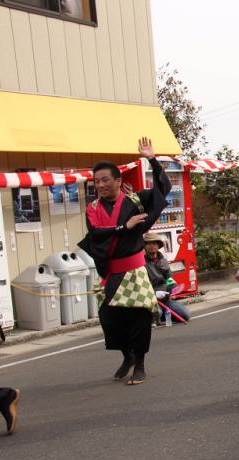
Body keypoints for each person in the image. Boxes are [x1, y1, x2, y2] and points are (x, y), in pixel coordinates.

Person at [78, 137, 168, 385]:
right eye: (96, 181)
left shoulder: (135, 200)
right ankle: (127, 355)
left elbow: (163, 190)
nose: (101, 185)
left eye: (105, 179)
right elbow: (96, 235)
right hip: (112, 273)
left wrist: (151, 159)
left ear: (119, 181)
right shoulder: (93, 209)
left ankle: (140, 363)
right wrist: (122, 227)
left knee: (138, 318)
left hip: (135, 270)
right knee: (110, 320)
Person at [143, 232, 191, 324]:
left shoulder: (163, 260)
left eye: (154, 243)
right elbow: (142, 284)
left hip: (165, 298)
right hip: (151, 299)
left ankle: (164, 314)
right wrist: (154, 293)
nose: (151, 246)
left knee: (186, 314)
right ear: (145, 246)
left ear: (158, 245)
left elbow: (169, 278)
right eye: (148, 243)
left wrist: (173, 288)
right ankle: (159, 314)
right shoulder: (142, 263)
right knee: (158, 314)